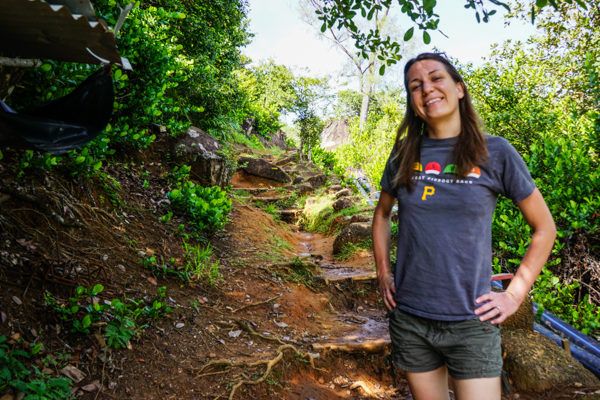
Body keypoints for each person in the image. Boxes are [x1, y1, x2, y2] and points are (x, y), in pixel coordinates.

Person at [372, 52, 556, 400]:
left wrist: (515, 294)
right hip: (411, 317)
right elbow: (381, 215)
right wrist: (383, 272)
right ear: (412, 101)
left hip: (472, 319)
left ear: (459, 88)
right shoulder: (402, 156)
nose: (427, 89)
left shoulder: (496, 153)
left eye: (436, 78)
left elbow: (544, 227)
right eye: (416, 85)